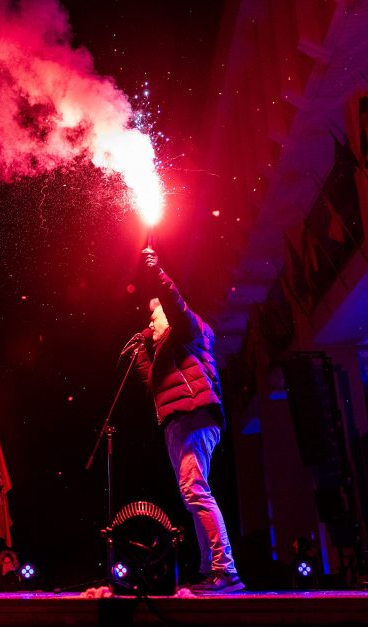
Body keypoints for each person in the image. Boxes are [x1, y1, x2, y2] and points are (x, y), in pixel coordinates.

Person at [131, 247, 244, 594]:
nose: (151, 322)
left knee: (195, 489)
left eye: (155, 316)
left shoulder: (192, 331)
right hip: (177, 423)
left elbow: (175, 304)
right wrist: (139, 352)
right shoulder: (163, 352)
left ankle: (226, 571)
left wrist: (159, 274)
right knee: (191, 492)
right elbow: (151, 386)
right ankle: (210, 569)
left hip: (195, 415)